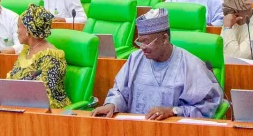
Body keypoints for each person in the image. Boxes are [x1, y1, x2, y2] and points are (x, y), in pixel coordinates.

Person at [91, 8, 223, 119]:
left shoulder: (190, 64)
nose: (142, 47)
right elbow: (120, 92)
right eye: (140, 41)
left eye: (147, 42)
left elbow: (208, 105)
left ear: (165, 38)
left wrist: (173, 111)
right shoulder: (135, 59)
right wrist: (112, 105)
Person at [5, 4, 71, 108]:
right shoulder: (26, 50)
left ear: (28, 30)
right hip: (20, 103)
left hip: (48, 109)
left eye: (18, 27)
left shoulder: (51, 58)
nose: (17, 31)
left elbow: (44, 93)